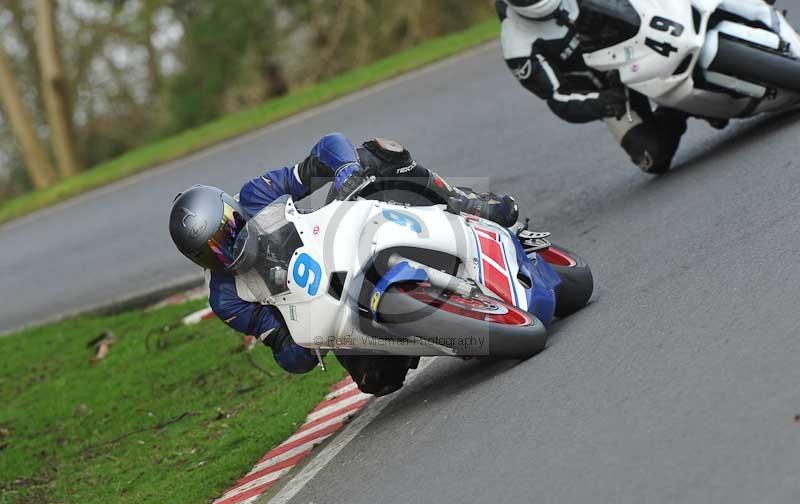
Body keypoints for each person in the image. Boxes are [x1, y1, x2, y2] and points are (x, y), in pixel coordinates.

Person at [169, 133, 519, 396]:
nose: (225, 248)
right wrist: (301, 346)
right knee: (377, 381)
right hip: (327, 302)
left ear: (231, 208)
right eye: (209, 252)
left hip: (340, 237)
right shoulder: (225, 298)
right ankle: (447, 328)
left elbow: (325, 149)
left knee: (378, 153)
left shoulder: (255, 195)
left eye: (226, 230)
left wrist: (344, 170)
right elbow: (282, 349)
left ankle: (465, 202)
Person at [496, 0, 795, 173]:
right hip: (615, 85)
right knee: (652, 157)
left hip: (650, 27)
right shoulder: (517, 43)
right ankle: (674, 109)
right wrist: (603, 101)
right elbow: (558, 97)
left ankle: (756, 11)